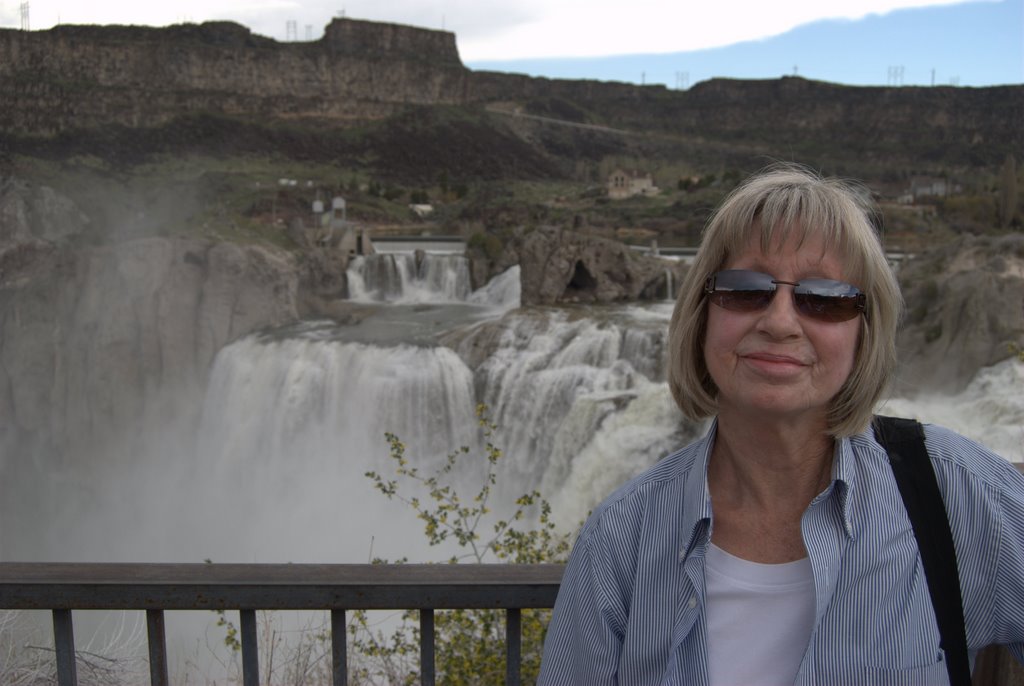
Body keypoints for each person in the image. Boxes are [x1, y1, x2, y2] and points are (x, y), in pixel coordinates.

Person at [538, 164, 1024, 685]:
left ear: (865, 330)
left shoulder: (956, 492)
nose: (779, 321)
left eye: (826, 298)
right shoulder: (621, 539)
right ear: (702, 314)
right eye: (746, 289)